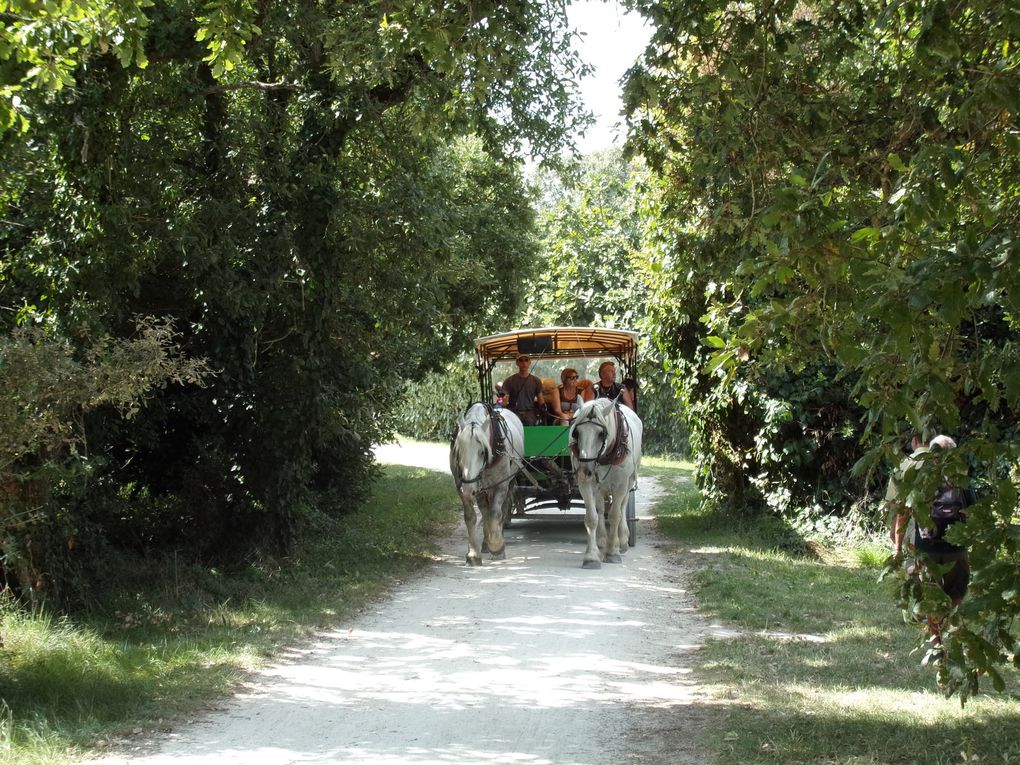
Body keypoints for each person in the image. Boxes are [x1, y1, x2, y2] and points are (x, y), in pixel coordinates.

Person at [886, 434, 970, 648]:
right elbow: (974, 514)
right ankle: (948, 621)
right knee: (957, 591)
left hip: (926, 547)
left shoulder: (922, 481)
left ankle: (936, 640)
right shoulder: (963, 480)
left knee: (930, 594)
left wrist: (897, 546)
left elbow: (903, 513)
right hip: (956, 548)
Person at [501, 354, 545, 426]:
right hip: (514, 412)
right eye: (521, 360)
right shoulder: (509, 381)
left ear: (530, 362)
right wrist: (501, 405)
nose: (524, 363)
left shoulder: (536, 381)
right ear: (517, 363)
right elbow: (504, 400)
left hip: (530, 413)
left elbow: (541, 400)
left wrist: (543, 409)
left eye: (526, 360)